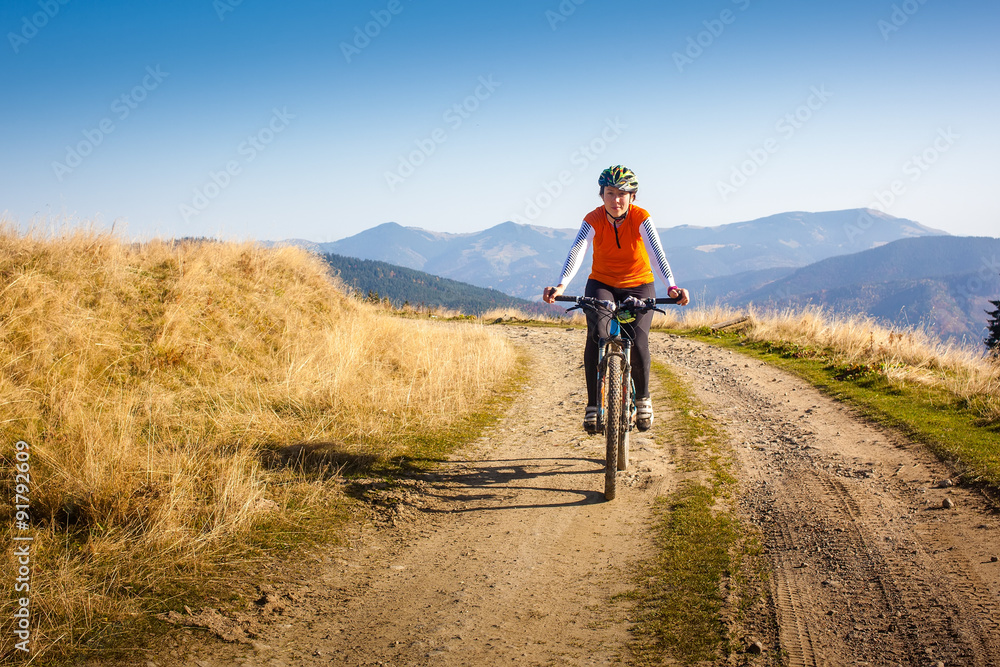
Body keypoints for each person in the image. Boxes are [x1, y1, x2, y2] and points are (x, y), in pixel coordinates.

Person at [542, 165, 689, 434]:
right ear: (602, 195)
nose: (616, 200)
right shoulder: (593, 218)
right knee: (596, 336)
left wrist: (671, 286)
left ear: (633, 196)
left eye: (623, 193)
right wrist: (561, 284)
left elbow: (657, 253)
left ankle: (643, 399)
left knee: (638, 338)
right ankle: (592, 406)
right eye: (610, 193)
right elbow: (577, 250)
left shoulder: (641, 217)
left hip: (639, 284)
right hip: (602, 283)